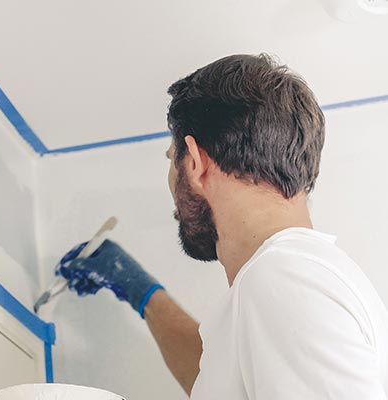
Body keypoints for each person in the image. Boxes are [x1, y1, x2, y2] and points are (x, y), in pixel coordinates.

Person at [56, 54, 388, 399]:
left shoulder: (281, 279)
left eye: (174, 160)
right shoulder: (294, 279)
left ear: (196, 162)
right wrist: (142, 292)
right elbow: (216, 380)